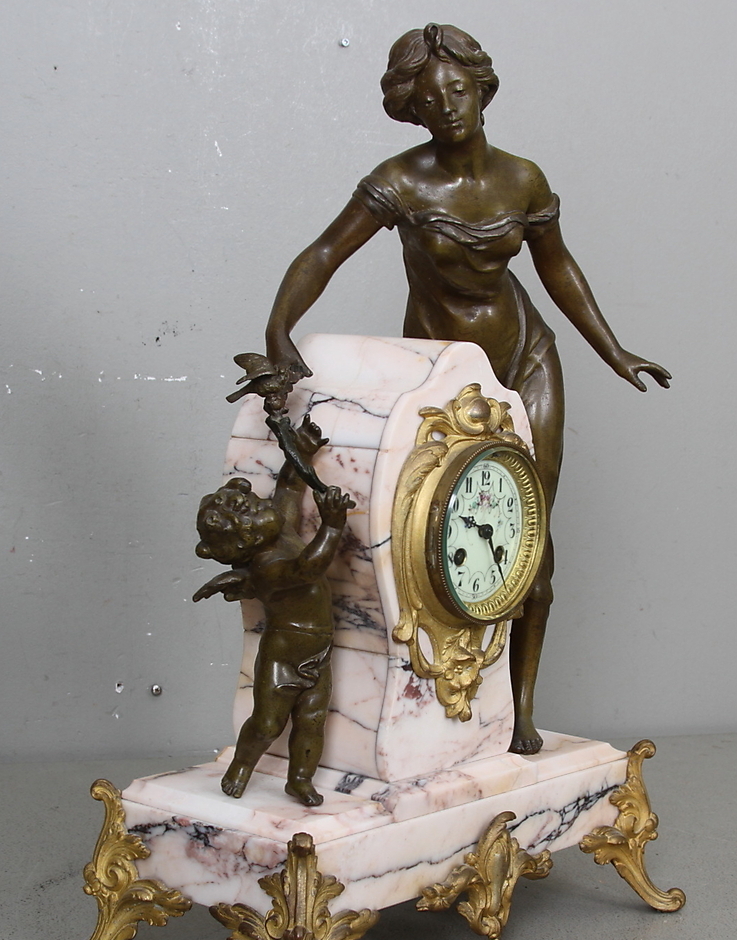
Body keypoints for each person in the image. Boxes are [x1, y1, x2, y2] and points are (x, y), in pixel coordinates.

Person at [258, 23, 671, 755]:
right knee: (434, 531)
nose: (447, 106)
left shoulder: (523, 179)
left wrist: (613, 351)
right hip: (441, 368)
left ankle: (519, 710)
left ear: (482, 90)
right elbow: (324, 252)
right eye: (429, 99)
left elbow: (557, 266)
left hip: (525, 356)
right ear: (411, 109)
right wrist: (278, 331)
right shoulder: (400, 181)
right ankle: (438, 711)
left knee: (532, 534)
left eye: (457, 90)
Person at [193, 416, 355, 805]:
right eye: (250, 513)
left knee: (313, 720)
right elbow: (307, 569)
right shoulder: (266, 568)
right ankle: (241, 765)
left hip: (319, 649)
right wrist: (332, 527)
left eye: (254, 503)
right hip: (284, 654)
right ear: (242, 544)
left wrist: (302, 451)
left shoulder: (280, 530)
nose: (263, 506)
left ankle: (299, 779)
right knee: (268, 723)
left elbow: (289, 487)